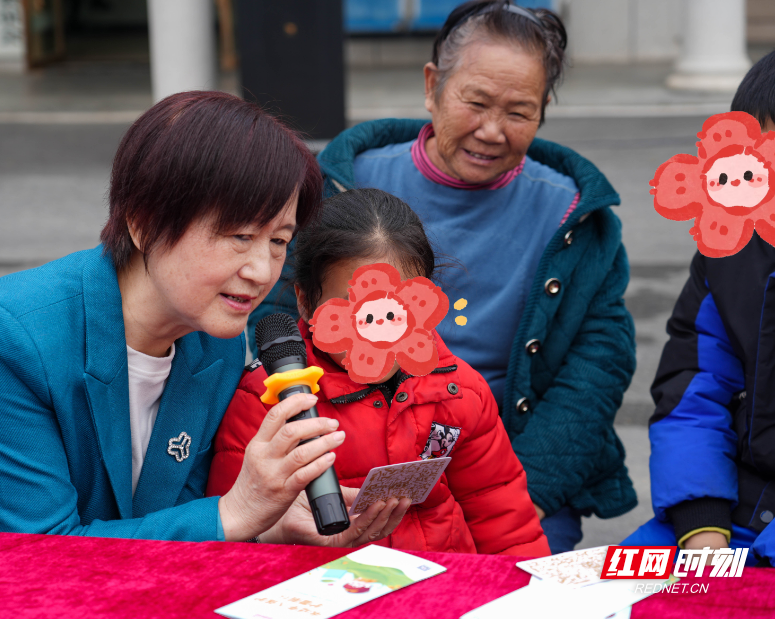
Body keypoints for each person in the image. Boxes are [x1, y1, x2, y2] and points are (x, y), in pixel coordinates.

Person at [0, 91, 407, 547]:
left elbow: (166, 516)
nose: (261, 270)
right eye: (240, 236)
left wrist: (267, 525)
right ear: (143, 220)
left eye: (279, 241)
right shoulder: (6, 338)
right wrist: (233, 512)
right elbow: (44, 550)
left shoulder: (213, 334)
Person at [249, 0, 636, 553]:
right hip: (349, 468)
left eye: (520, 111)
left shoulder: (576, 217)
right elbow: (275, 315)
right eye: (474, 102)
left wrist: (522, 491)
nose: (492, 130)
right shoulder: (341, 184)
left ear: (544, 111)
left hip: (516, 468)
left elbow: (599, 366)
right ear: (432, 86)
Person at [209, 188, 550, 555]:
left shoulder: (460, 390)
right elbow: (236, 530)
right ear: (307, 302)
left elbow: (500, 512)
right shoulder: (268, 400)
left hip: (444, 590)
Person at [622, 50, 775, 567]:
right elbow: (694, 395)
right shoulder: (729, 252)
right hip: (731, 508)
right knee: (617, 592)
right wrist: (702, 529)